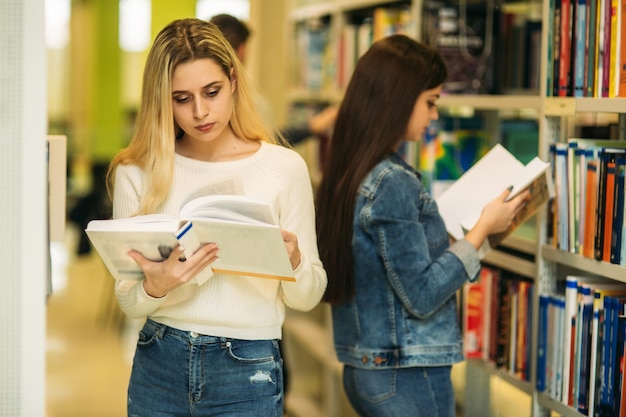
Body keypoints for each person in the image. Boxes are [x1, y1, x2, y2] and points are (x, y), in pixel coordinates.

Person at [107, 18, 327, 416]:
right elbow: (130, 301)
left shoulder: (282, 168)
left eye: (212, 91)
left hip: (247, 368)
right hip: (159, 362)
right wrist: (155, 288)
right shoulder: (136, 172)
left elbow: (309, 296)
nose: (201, 112)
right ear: (162, 99)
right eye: (181, 98)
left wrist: (291, 262)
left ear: (233, 81)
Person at [315, 34, 529, 417]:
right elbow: (422, 295)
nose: (434, 115)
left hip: (369, 368)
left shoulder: (351, 170)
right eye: (430, 102)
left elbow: (387, 265)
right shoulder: (392, 181)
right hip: (406, 373)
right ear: (397, 98)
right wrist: (482, 229)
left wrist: (452, 236)